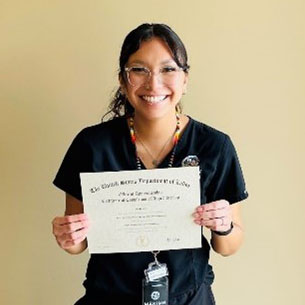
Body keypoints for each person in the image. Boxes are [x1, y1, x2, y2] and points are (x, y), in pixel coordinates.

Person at [52, 23, 248, 305]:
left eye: (168, 69)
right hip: (108, 298)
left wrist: (223, 226)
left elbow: (229, 246)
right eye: (138, 70)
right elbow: (78, 244)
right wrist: (69, 237)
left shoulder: (215, 146)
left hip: (189, 298)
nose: (153, 84)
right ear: (122, 79)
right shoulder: (92, 145)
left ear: (185, 79)